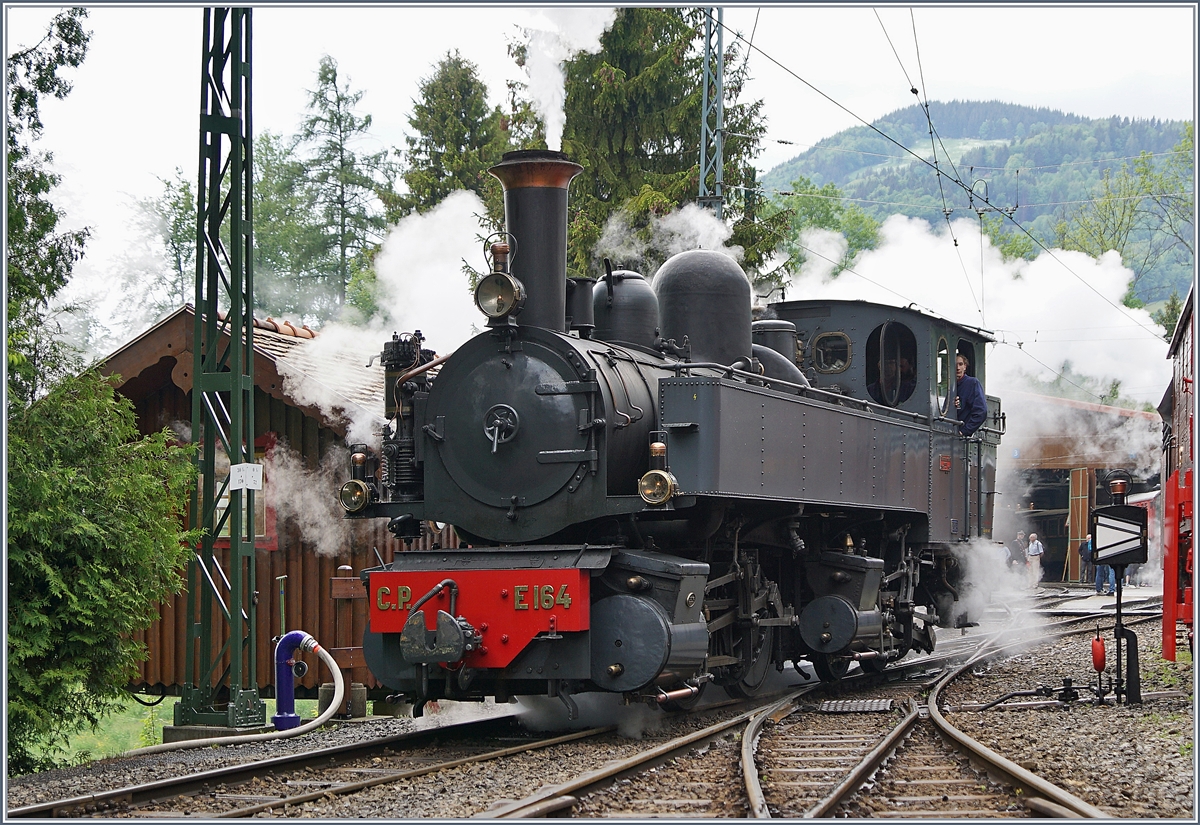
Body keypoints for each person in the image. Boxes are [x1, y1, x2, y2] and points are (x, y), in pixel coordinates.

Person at [954, 353, 987, 437]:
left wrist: (964, 431)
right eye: (955, 364)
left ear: (965, 366)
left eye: (960, 364)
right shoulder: (950, 385)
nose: (957, 368)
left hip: (961, 436)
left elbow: (981, 412)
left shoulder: (972, 383)